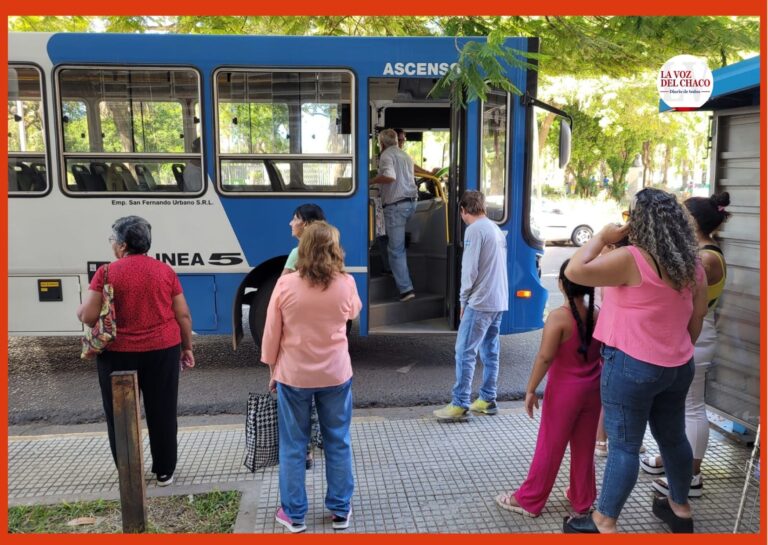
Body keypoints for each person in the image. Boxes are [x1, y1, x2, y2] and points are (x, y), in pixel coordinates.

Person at [562, 188, 708, 534]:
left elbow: (574, 271)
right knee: (673, 437)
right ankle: (680, 508)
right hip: (678, 366)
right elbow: (697, 319)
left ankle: (603, 521)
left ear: (639, 222)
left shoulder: (632, 259)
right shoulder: (693, 264)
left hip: (631, 366)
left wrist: (601, 237)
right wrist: (675, 349)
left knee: (624, 445)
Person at [76, 216, 195, 487]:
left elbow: (87, 315)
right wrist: (186, 347)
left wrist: (81, 307)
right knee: (163, 411)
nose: (112, 246)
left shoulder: (106, 273)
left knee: (121, 413)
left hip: (118, 354)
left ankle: (130, 472)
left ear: (123, 245)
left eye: (113, 241)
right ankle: (165, 471)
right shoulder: (164, 271)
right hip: (163, 351)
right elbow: (183, 315)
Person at [261, 221, 362, 533]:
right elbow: (353, 314)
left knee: (293, 445)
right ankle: (340, 511)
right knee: (338, 441)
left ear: (302, 250)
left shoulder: (285, 285)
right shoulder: (346, 283)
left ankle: (294, 514)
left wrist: (272, 370)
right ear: (334, 249)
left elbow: (271, 335)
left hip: (294, 376)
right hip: (335, 374)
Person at [495, 259, 601, 517]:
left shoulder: (558, 318)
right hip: (593, 390)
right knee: (584, 446)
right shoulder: (598, 312)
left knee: (550, 446)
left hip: (564, 393)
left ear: (561, 285)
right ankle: (582, 499)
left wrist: (530, 389)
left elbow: (545, 358)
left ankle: (529, 500)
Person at [642, 192, 731, 499]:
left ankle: (690, 474)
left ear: (691, 221)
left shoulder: (707, 258)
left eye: (681, 215)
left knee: (692, 406)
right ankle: (673, 462)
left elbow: (677, 287)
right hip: (689, 331)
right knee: (678, 405)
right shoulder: (700, 251)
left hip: (698, 333)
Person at [433, 190, 508, 420]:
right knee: (489, 351)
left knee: (464, 351)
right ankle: (487, 399)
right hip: (498, 300)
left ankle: (460, 403)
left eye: (462, 213)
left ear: (463, 210)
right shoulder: (495, 229)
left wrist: (463, 300)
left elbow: (470, 270)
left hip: (480, 300)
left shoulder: (474, 231)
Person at [281, 203, 327, 469]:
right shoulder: (332, 259)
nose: (291, 223)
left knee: (300, 405)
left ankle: (305, 451)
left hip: (298, 347)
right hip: (325, 348)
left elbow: (280, 298)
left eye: (295, 218)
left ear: (307, 225)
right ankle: (322, 443)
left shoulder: (295, 255)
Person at [370, 128, 418, 302]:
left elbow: (390, 177)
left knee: (396, 249)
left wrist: (372, 180)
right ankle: (389, 268)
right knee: (388, 240)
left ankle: (406, 290)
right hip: (411, 204)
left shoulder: (386, 155)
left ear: (381, 143)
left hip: (396, 206)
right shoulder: (405, 155)